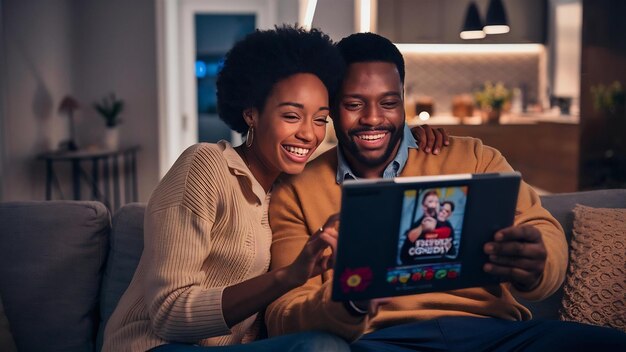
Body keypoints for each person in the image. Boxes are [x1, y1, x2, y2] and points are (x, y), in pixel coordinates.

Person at [265, 32, 626, 351]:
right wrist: (346, 303)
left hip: (495, 333)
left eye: (389, 103)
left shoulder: (473, 156)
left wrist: (537, 263)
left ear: (404, 100)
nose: (373, 118)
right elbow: (283, 312)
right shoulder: (297, 189)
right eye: (354, 104)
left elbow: (542, 228)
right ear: (331, 107)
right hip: (380, 339)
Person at [102, 26, 446, 352]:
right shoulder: (205, 166)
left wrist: (411, 134)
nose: (308, 134)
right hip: (156, 345)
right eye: (292, 116)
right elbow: (169, 316)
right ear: (251, 113)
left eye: (319, 119)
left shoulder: (288, 188)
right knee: (322, 347)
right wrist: (287, 277)